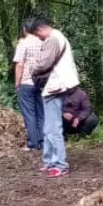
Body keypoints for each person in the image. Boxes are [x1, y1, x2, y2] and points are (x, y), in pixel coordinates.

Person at [28, 15, 80, 178]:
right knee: (48, 127)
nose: (39, 38)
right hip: (59, 86)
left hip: (56, 87)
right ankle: (50, 161)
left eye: (37, 35)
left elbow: (43, 64)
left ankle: (60, 165)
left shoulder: (52, 39)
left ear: (41, 29)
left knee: (53, 128)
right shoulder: (60, 37)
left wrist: (32, 67)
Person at [12, 24, 44, 151]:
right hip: (41, 82)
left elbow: (20, 65)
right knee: (41, 113)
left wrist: (17, 82)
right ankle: (43, 142)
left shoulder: (23, 43)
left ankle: (33, 143)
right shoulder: (42, 43)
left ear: (24, 29)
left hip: (26, 82)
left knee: (29, 113)